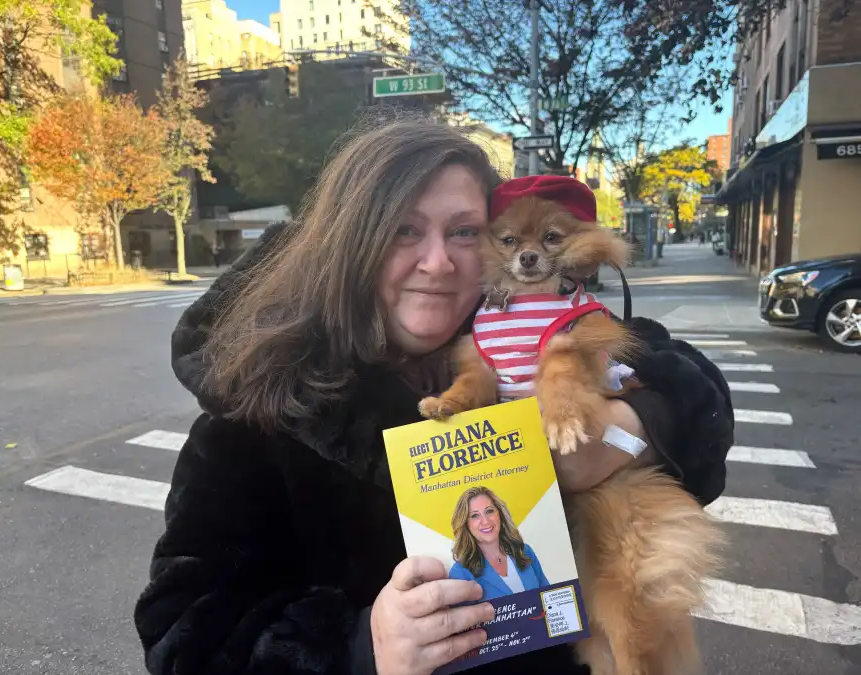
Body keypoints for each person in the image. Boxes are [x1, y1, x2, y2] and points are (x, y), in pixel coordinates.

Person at [134, 119, 734, 675]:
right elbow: (183, 635)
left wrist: (627, 432)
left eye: (464, 232)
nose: (438, 261)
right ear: (352, 245)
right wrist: (363, 648)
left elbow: (690, 385)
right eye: (404, 231)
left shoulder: (532, 321)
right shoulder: (263, 412)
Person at [448, 487, 550, 601]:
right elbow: (462, 618)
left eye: (489, 511)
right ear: (466, 524)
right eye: (475, 516)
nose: (485, 521)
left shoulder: (524, 551)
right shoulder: (460, 573)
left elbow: (549, 597)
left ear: (499, 514)